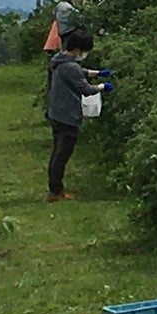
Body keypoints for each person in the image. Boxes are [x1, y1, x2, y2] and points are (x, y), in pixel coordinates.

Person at [44, 24, 105, 199]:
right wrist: (102, 86)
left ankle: (55, 188)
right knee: (62, 155)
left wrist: (98, 73)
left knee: (57, 152)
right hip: (67, 116)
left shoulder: (60, 60)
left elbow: (80, 73)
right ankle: (55, 191)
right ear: (78, 49)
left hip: (56, 113)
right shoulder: (71, 67)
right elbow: (85, 89)